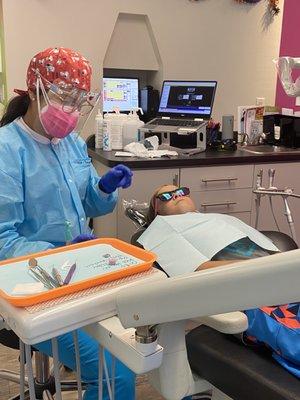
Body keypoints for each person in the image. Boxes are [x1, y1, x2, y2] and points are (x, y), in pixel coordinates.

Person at [0, 47, 134, 399]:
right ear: (34, 90)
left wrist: (104, 187)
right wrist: (55, 256)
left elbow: (88, 200)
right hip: (29, 289)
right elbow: (3, 241)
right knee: (115, 375)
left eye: (79, 101)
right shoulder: (6, 150)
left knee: (135, 351)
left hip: (76, 277)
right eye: (64, 98)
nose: (71, 111)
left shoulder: (70, 144)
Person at [143, 185, 300, 378]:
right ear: (156, 207)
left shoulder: (220, 219)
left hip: (286, 279)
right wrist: (267, 267)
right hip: (252, 296)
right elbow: (197, 272)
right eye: (166, 195)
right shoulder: (159, 233)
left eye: (182, 191)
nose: (177, 195)